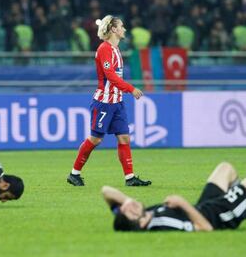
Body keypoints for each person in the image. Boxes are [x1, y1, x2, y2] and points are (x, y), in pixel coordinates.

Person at [67, 15, 151, 187]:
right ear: (113, 29)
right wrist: (131, 89)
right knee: (96, 139)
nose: (124, 29)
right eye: (121, 26)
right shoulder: (104, 48)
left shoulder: (116, 49)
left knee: (124, 138)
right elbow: (111, 76)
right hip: (104, 102)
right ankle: (74, 174)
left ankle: (130, 178)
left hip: (117, 102)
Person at [103, 162, 246, 231]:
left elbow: (106, 191)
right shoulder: (164, 224)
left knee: (225, 168)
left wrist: (127, 201)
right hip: (220, 215)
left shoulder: (143, 214)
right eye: (129, 211)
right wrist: (182, 203)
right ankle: (237, 205)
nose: (129, 206)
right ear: (140, 223)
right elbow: (206, 228)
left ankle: (238, 198)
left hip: (203, 206)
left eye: (124, 208)